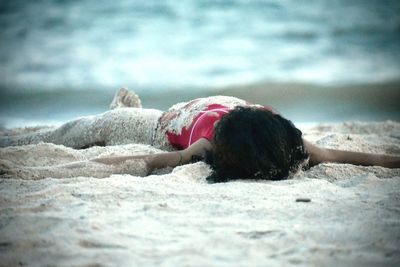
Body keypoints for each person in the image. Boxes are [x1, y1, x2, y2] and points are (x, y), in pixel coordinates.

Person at [1, 88, 399, 182]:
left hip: (193, 116)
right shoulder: (214, 142)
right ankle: (120, 114)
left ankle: (121, 111)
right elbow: (154, 158)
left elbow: (361, 158)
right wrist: (82, 161)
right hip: (160, 123)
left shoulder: (286, 144)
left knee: (94, 130)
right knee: (79, 130)